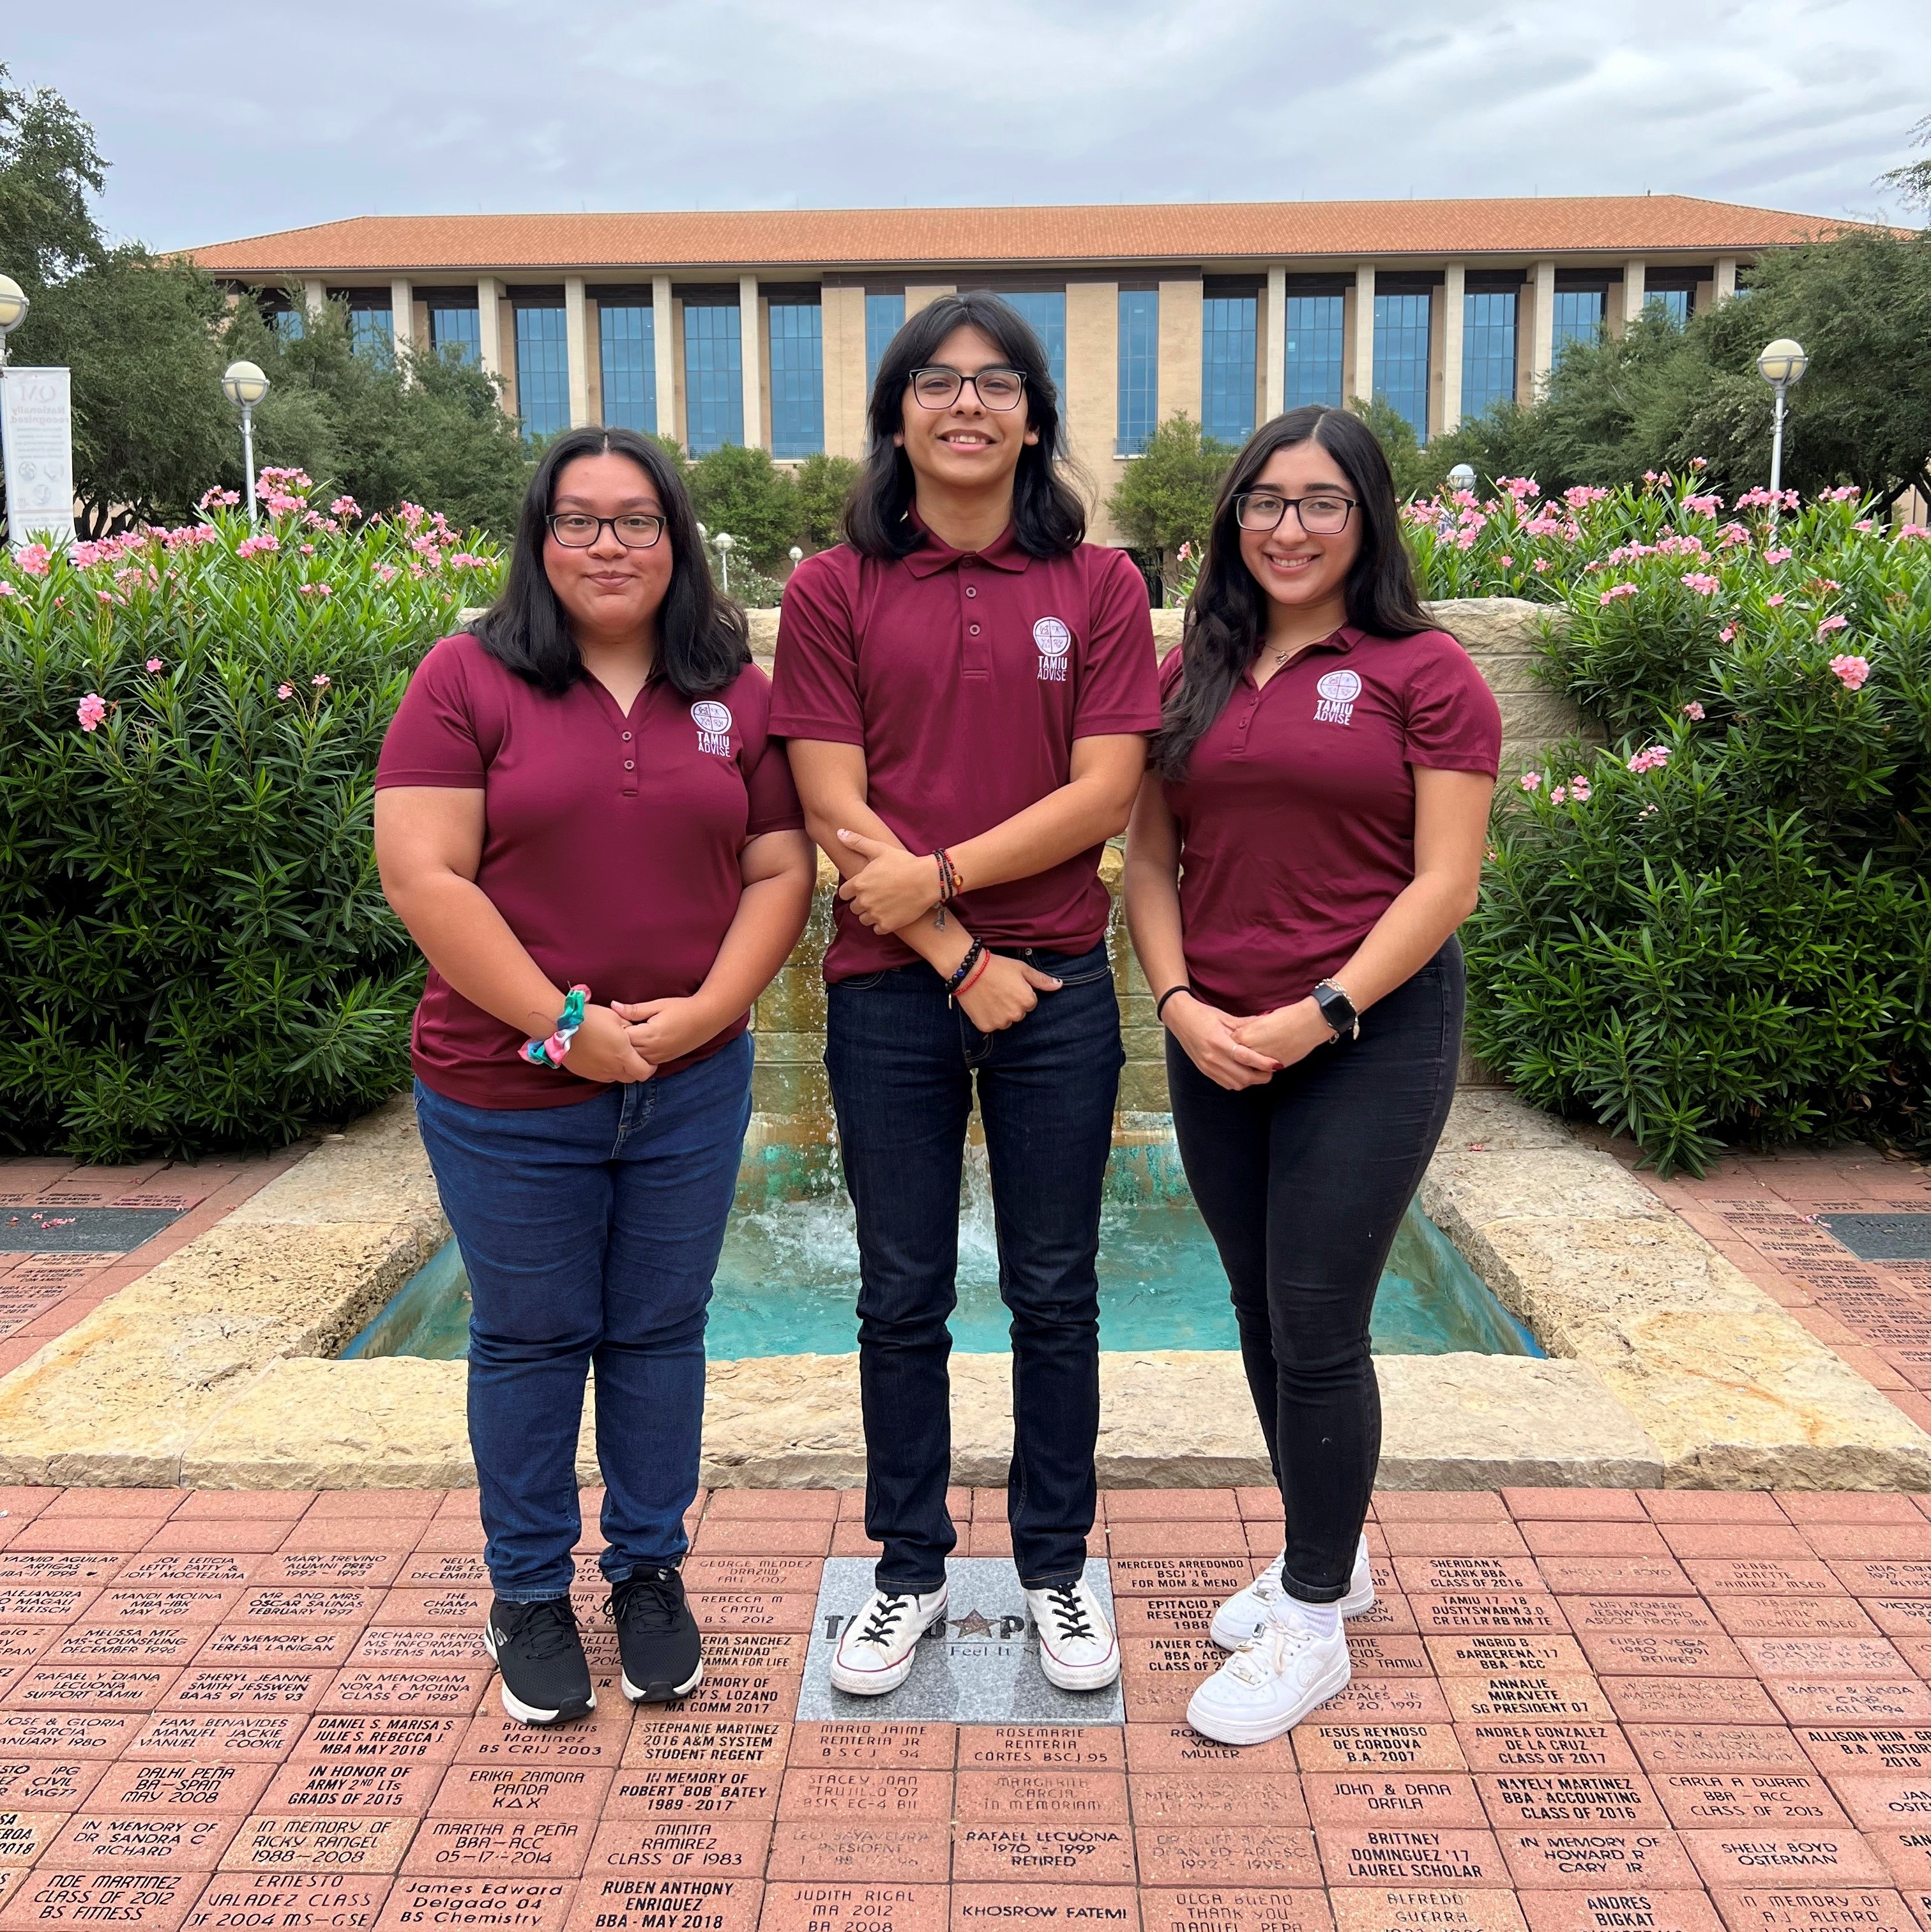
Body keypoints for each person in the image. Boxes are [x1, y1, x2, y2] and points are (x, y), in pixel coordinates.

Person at [374, 427, 814, 1727]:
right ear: (538, 539)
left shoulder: (734, 686)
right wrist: (565, 1029)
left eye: (635, 520)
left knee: (658, 1327)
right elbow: (426, 874)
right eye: (579, 521)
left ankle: (648, 1572)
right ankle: (525, 1591)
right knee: (531, 1332)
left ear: (676, 538)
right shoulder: (469, 679)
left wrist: (701, 1021)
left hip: (685, 1081)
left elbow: (781, 869)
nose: (608, 545)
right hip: (507, 1086)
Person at [772, 293, 1160, 1696]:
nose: (966, 405)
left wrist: (941, 882)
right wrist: (955, 948)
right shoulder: (833, 588)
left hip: (1056, 984)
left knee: (1058, 1291)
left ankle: (1056, 1565)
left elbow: (1105, 790)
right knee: (900, 1290)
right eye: (935, 383)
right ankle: (910, 1568)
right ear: (896, 415)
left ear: (1036, 417)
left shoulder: (1102, 586)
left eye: (997, 384)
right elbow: (829, 799)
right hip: (894, 988)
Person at [1123, 405, 1499, 1746]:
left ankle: (1315, 1619)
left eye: (1322, 502)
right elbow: (1153, 864)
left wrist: (1321, 1010)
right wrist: (1177, 999)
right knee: (1257, 1305)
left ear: (1368, 519)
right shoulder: (1197, 668)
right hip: (1213, 1030)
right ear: (1234, 518)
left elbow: (1444, 880)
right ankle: (1321, 1558)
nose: (1290, 526)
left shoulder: (1425, 669)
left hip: (1368, 1033)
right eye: (1266, 500)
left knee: (1319, 1310)